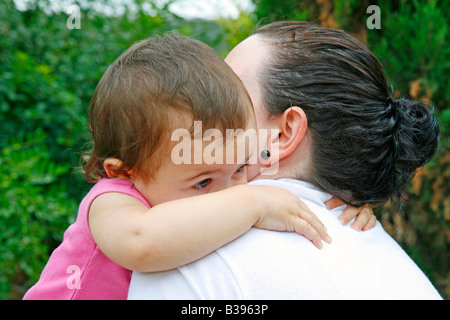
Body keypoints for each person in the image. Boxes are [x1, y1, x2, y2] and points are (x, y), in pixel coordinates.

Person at [23, 32, 373, 300]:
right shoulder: (111, 201)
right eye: (203, 183)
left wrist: (343, 202)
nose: (231, 192)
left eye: (239, 168)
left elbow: (289, 184)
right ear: (126, 171)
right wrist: (256, 203)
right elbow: (140, 242)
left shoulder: (216, 174)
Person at [128, 21, 442, 299]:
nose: (202, 104)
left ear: (283, 133)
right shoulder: (396, 268)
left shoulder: (183, 256)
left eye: (229, 93)